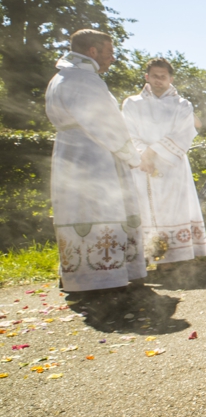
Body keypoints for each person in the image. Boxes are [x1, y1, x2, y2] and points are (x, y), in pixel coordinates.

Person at [46, 30, 146, 295]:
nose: (112, 58)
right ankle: (103, 278)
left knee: (77, 211)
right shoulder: (85, 79)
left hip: (70, 154)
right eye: (109, 51)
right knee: (99, 209)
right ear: (92, 51)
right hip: (94, 155)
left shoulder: (60, 78)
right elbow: (107, 124)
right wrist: (132, 156)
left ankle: (77, 274)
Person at [121, 58, 206, 268]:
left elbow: (184, 133)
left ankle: (175, 258)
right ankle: (146, 256)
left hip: (172, 166)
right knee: (144, 208)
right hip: (142, 165)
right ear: (146, 77)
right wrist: (143, 155)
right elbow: (127, 132)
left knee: (174, 209)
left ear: (171, 78)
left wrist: (153, 152)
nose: (159, 80)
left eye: (163, 77)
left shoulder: (183, 105)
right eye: (154, 76)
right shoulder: (132, 103)